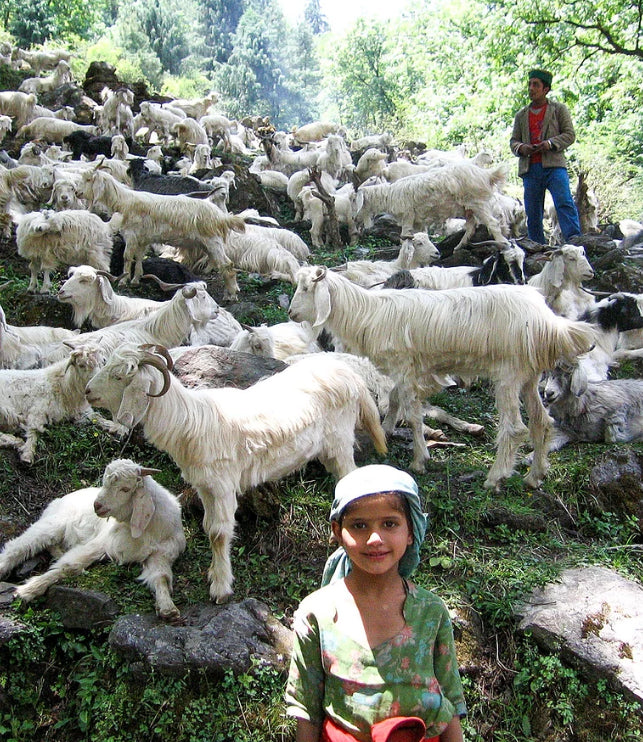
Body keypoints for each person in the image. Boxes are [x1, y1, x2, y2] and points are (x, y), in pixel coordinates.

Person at [285, 465, 466, 742]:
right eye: (359, 526)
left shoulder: (430, 612)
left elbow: (450, 700)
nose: (374, 539)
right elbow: (307, 710)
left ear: (410, 531)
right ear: (338, 531)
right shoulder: (317, 615)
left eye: (390, 524)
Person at [510, 69, 581, 245]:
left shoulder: (558, 110)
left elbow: (569, 135)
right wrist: (522, 148)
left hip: (554, 166)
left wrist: (549, 144)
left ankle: (575, 242)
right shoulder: (521, 115)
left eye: (536, 85)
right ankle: (537, 247)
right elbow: (513, 141)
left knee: (564, 202)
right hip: (530, 168)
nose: (531, 88)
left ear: (546, 89)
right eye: (530, 84)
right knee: (533, 211)